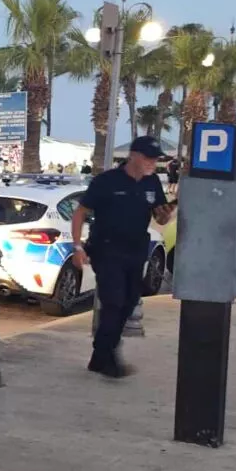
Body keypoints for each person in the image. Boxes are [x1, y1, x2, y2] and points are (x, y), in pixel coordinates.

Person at [71, 137, 172, 378]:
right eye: (148, 158)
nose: (152, 163)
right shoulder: (107, 181)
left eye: (155, 159)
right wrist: (77, 247)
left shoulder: (152, 182)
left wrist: (167, 214)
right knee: (113, 302)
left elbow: (160, 216)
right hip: (107, 250)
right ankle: (108, 358)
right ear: (133, 156)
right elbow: (80, 212)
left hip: (135, 251)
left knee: (129, 303)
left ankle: (100, 356)